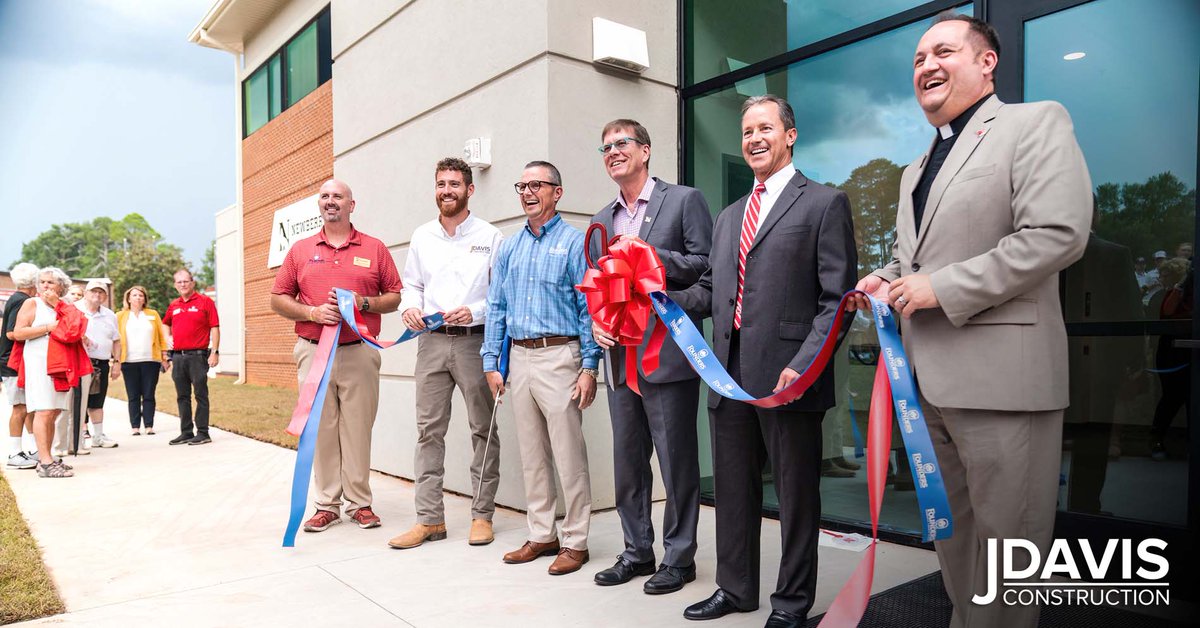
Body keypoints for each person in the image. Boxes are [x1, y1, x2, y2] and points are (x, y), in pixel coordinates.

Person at [847, 13, 1091, 628]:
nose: (925, 65)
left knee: (1009, 550)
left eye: (943, 51)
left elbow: (1056, 235)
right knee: (954, 539)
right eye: (917, 58)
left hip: (1003, 385)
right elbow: (920, 257)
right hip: (928, 388)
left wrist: (939, 287)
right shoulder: (915, 168)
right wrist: (888, 276)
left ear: (987, 62)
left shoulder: (1035, 123)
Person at [670, 94, 857, 628]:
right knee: (732, 492)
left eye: (765, 128)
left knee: (796, 499)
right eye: (747, 130)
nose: (754, 138)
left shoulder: (823, 203)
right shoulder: (730, 217)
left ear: (790, 134)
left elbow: (836, 300)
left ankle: (792, 604)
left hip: (788, 380)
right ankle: (735, 590)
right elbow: (709, 290)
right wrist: (657, 299)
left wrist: (806, 364)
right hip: (726, 379)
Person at [588, 119, 712, 594]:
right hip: (620, 358)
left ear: (646, 150)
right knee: (628, 461)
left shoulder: (684, 200)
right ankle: (637, 552)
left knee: (676, 461)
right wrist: (599, 320)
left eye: (622, 143)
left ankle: (679, 559)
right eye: (606, 148)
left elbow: (705, 265)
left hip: (669, 353)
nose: (613, 152)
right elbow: (598, 284)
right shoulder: (601, 219)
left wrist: (650, 256)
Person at [481, 161, 601, 576]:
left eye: (537, 185)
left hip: (560, 356)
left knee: (568, 454)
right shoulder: (510, 247)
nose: (528, 192)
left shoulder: (575, 242)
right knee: (531, 454)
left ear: (557, 192)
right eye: (522, 185)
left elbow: (588, 308)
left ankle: (576, 540)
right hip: (519, 358)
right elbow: (497, 307)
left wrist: (589, 367)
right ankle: (542, 534)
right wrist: (491, 362)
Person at [271, 178, 403, 533]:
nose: (331, 202)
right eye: (325, 196)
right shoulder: (300, 250)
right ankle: (327, 504)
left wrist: (362, 303)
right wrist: (312, 313)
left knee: (357, 428)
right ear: (320, 205)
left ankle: (360, 504)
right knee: (322, 429)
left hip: (359, 352)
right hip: (314, 353)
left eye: (338, 197)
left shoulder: (374, 248)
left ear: (351, 205)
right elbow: (278, 298)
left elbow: (394, 296)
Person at [389, 157, 504, 550]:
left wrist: (476, 310)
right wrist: (409, 307)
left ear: (470, 190)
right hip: (431, 342)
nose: (447, 191)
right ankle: (429, 520)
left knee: (482, 430)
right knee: (428, 432)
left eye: (454, 184)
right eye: (441, 184)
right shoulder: (422, 236)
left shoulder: (490, 236)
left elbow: (500, 295)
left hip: (476, 341)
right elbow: (412, 285)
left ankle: (482, 516)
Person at [11, 267, 83, 478]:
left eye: (50, 282)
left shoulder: (65, 306)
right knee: (43, 410)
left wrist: (56, 305)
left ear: (61, 286)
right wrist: (48, 328)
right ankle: (44, 463)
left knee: (53, 411)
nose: (45, 286)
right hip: (38, 362)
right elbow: (18, 332)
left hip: (61, 363)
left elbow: (76, 327)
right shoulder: (31, 303)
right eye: (42, 282)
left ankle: (48, 457)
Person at [163, 269, 220, 446]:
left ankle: (203, 433)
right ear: (175, 285)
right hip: (178, 357)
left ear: (192, 283)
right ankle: (186, 432)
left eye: (186, 281)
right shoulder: (174, 305)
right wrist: (167, 338)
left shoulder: (205, 301)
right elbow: (165, 323)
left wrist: (214, 351)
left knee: (200, 394)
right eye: (179, 282)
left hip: (198, 356)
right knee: (182, 396)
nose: (183, 284)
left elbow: (215, 327)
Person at [117, 285, 169, 435]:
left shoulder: (152, 314)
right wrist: (115, 359)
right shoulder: (120, 316)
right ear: (128, 298)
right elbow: (115, 338)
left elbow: (161, 336)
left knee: (148, 394)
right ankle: (135, 427)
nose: (138, 298)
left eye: (141, 295)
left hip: (151, 360)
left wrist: (164, 356)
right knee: (133, 395)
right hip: (128, 361)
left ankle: (149, 425)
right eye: (134, 295)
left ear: (145, 298)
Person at [76, 280, 122, 449]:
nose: (97, 295)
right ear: (85, 293)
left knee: (97, 402)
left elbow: (116, 341)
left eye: (101, 292)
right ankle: (77, 437)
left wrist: (117, 362)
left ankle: (98, 436)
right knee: (78, 402)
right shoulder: (74, 309)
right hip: (79, 363)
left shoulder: (110, 315)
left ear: (105, 296)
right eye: (93, 291)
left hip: (101, 363)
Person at [3, 262, 39, 469]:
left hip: (16, 362)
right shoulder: (21, 301)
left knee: (27, 407)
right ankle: (14, 453)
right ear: (33, 281)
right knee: (20, 408)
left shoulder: (18, 298)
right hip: (12, 362)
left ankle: (32, 449)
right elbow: (11, 333)